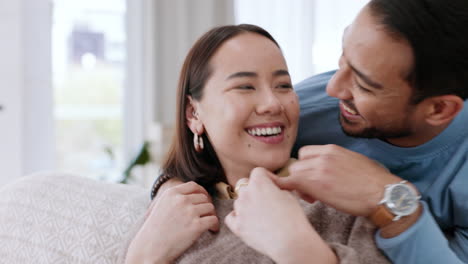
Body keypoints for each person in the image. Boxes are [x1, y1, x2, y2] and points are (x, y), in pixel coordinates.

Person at [122, 24, 389, 264]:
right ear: (194, 113)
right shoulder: (172, 211)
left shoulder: (340, 203)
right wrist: (143, 256)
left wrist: (297, 247)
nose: (273, 104)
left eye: (283, 85)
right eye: (245, 87)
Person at [232, 0, 468, 263]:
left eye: (363, 85)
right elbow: (203, 155)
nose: (333, 88)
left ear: (438, 109)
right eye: (342, 58)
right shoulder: (306, 108)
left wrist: (388, 200)